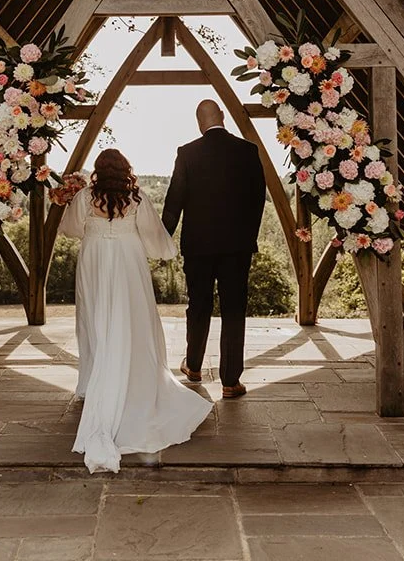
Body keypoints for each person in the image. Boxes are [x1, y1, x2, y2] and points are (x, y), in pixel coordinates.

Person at [58, 148, 212, 474]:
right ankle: (132, 375)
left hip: (96, 260)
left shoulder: (85, 196)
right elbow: (155, 235)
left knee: (94, 319)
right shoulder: (137, 197)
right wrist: (166, 252)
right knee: (134, 318)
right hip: (128, 260)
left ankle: (94, 379)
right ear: (124, 170)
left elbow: (70, 230)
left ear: (99, 170)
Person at [161, 100, 266, 398]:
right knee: (234, 309)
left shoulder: (187, 153)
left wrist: (162, 239)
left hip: (198, 246)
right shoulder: (248, 150)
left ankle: (193, 366)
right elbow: (258, 198)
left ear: (199, 122)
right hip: (237, 247)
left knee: (199, 305)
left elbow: (173, 203)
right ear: (222, 116)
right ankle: (231, 381)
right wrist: (248, 238)